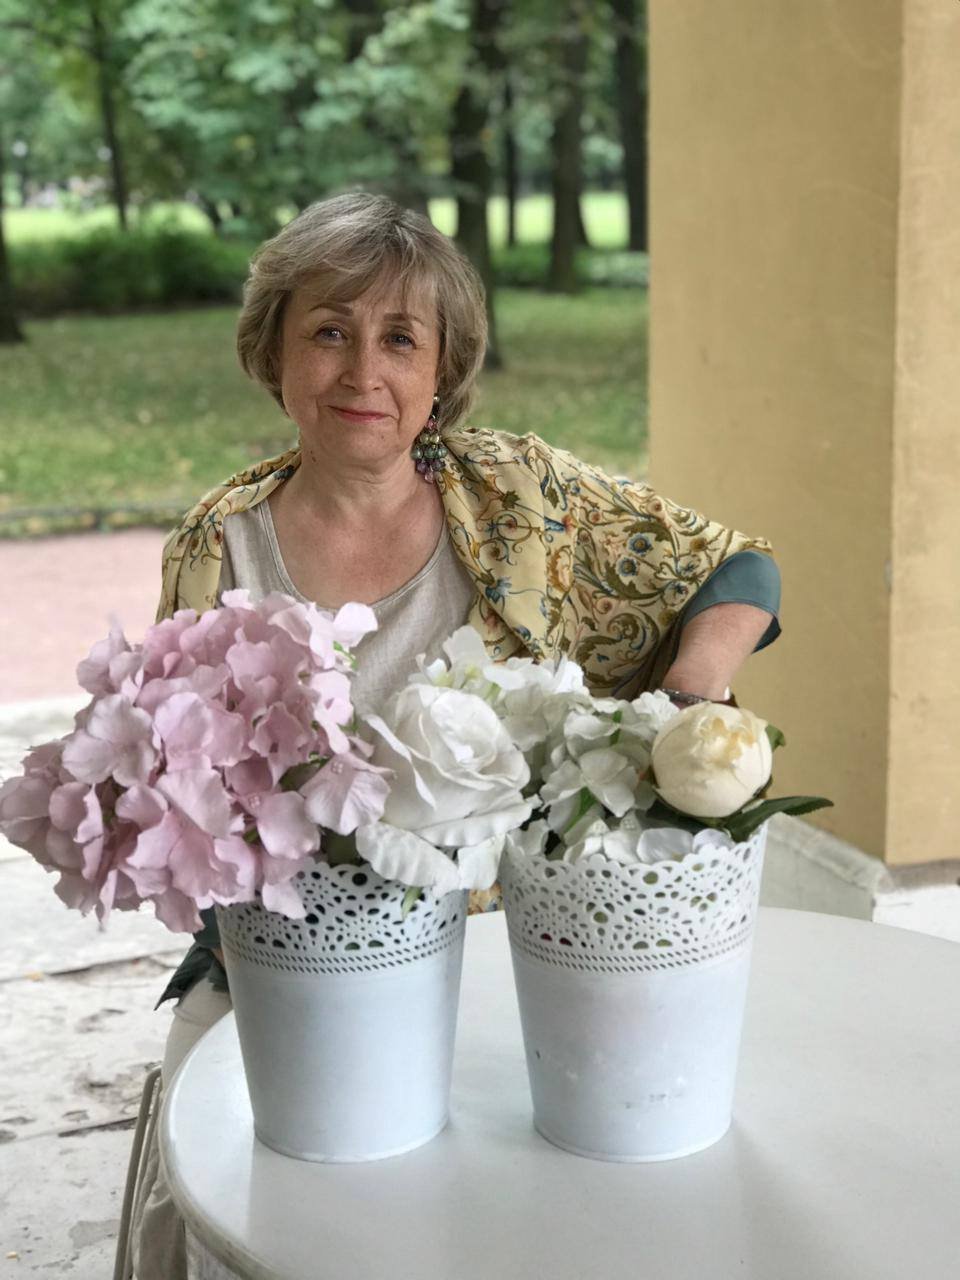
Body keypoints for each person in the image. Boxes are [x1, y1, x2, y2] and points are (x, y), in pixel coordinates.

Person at [130, 191, 780, 1278]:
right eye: (328, 331)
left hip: (508, 948)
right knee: (225, 1187)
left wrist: (690, 695)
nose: (362, 372)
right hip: (298, 953)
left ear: (444, 369)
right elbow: (182, 791)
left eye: (400, 339)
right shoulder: (217, 544)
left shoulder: (519, 494)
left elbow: (736, 566)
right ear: (275, 353)